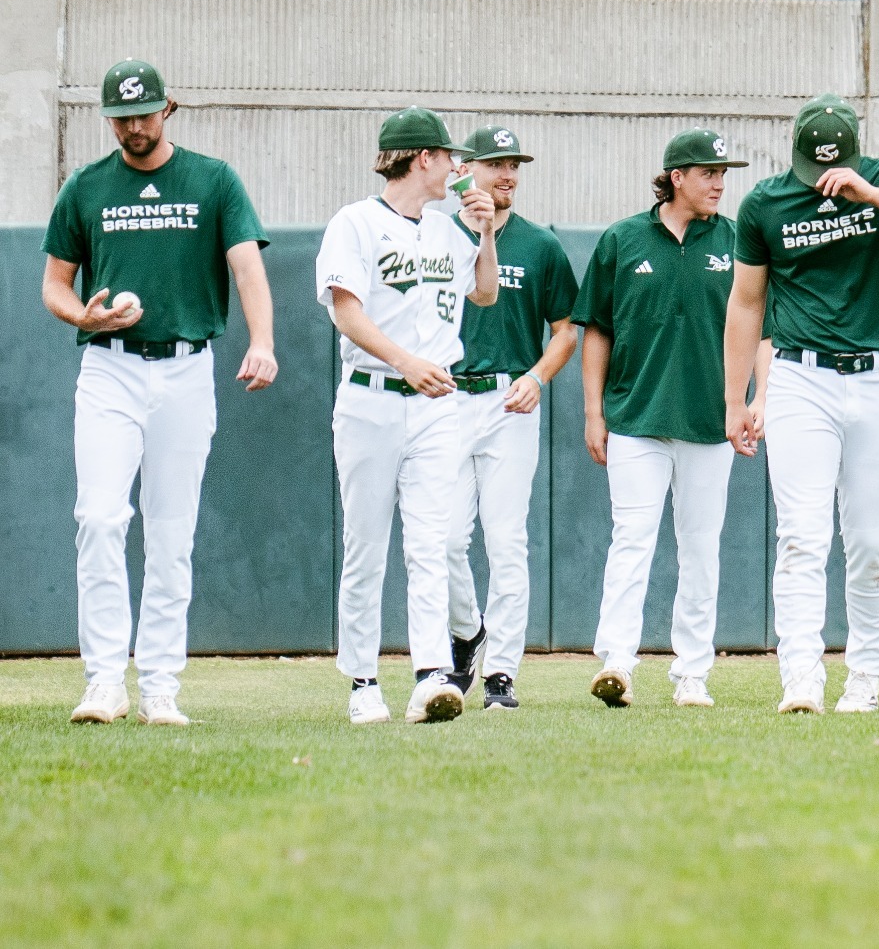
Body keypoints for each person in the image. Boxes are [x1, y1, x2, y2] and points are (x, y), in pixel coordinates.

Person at [43, 58, 277, 725]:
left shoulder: (213, 179)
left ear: (167, 109)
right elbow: (55, 285)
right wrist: (81, 314)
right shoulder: (86, 187)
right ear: (108, 118)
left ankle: (161, 687)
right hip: (109, 368)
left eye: (144, 115)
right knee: (99, 517)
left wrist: (261, 341)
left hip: (185, 368)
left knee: (171, 533)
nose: (134, 128)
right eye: (122, 117)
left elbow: (246, 265)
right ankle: (102, 682)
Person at [722, 95, 879, 714]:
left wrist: (871, 195)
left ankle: (865, 676)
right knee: (802, 538)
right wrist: (737, 398)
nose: (825, 182)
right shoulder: (765, 204)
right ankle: (801, 678)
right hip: (800, 378)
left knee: (870, 542)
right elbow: (747, 302)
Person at [316, 107, 497, 724]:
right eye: (448, 157)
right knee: (366, 545)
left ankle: (430, 674)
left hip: (436, 406)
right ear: (422, 159)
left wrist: (486, 233)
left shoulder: (449, 229)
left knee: (428, 542)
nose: (456, 166)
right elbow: (346, 311)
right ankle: (363, 680)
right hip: (371, 395)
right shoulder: (356, 223)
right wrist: (405, 360)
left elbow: (486, 293)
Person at [578, 129, 754, 710]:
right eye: (708, 172)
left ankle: (692, 675)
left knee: (700, 549)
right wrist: (593, 413)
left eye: (724, 173)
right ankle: (617, 664)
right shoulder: (623, 240)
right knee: (632, 540)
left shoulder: (737, 242)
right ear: (676, 176)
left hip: (711, 424)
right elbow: (596, 329)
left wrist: (757, 403)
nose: (720, 183)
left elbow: (766, 332)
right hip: (635, 419)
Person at [440, 125, 578, 711]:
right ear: (465, 170)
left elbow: (566, 330)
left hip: (507, 401)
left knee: (506, 541)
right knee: (442, 539)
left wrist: (538, 376)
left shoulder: (539, 244)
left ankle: (501, 673)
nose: (507, 174)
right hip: (443, 400)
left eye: (514, 164)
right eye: (495, 163)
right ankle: (468, 632)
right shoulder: (434, 237)